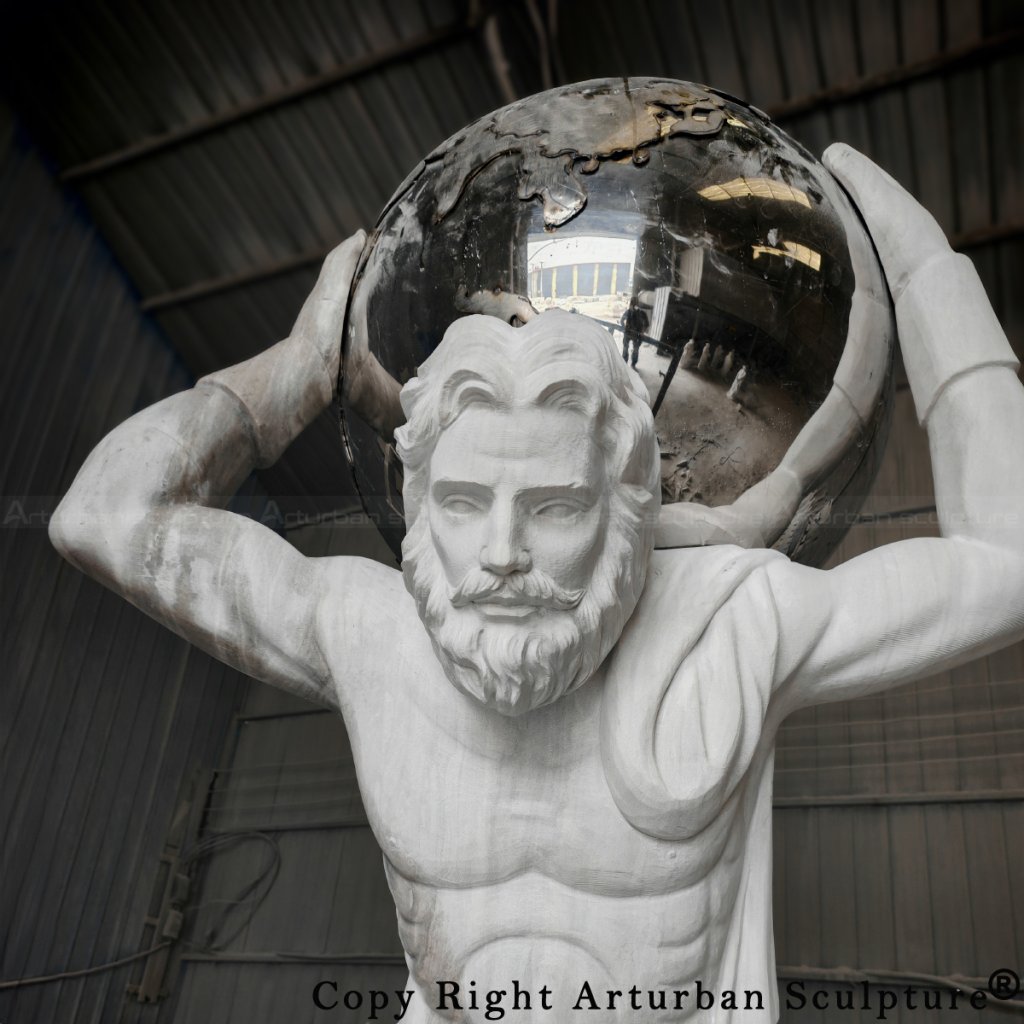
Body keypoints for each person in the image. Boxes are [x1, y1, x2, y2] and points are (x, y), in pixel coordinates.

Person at [50, 146, 1024, 1022]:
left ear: (623, 512)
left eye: (554, 506)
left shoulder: (732, 623)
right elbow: (106, 515)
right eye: (464, 501)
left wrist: (931, 275)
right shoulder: (365, 630)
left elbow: (1006, 561)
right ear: (419, 506)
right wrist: (302, 367)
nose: (502, 551)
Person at [619, 295, 649, 367]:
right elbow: (622, 320)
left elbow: (646, 324)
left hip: (636, 334)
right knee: (627, 348)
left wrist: (642, 331)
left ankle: (632, 363)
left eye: (634, 303)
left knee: (634, 349)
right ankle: (627, 362)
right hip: (630, 332)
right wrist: (624, 327)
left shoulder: (641, 313)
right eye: (632, 303)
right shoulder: (629, 312)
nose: (633, 305)